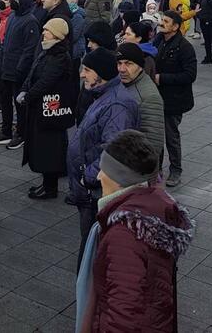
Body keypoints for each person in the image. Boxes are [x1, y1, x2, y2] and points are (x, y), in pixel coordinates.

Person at [75, 130, 192, 332]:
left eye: (105, 170)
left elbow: (123, 316)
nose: (99, 176)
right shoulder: (153, 209)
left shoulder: (124, 235)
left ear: (120, 179)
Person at [68, 48, 140, 266]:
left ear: (102, 73)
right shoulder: (103, 95)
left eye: (87, 70)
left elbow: (113, 150)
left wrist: (87, 178)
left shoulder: (117, 104)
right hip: (91, 189)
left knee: (94, 250)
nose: (82, 74)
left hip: (97, 191)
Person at [19, 18, 75, 200]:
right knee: (42, 147)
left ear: (57, 35)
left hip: (50, 111)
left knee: (49, 149)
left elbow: (46, 81)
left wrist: (28, 96)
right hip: (41, 108)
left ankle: (50, 187)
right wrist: (25, 89)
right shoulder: (47, 51)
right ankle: (46, 183)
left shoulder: (60, 56)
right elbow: (33, 73)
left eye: (47, 30)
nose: (43, 33)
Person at [153, 11, 197, 187]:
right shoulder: (158, 40)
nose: (161, 23)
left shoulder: (184, 47)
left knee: (171, 136)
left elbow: (190, 75)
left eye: (166, 21)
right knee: (156, 135)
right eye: (162, 20)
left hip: (174, 99)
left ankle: (175, 170)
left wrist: (162, 78)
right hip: (157, 97)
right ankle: (156, 169)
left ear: (176, 26)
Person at [0, 0, 39, 148]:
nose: (13, 0)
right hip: (6, 67)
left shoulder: (30, 21)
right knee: (5, 100)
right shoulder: (13, 16)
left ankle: (20, 133)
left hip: (18, 71)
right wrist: (0, 60)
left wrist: (20, 69)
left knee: (19, 104)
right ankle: (6, 130)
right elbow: (5, 41)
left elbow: (29, 50)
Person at [115, 43, 165, 162]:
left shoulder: (149, 96)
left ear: (140, 66)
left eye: (128, 63)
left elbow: (153, 144)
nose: (122, 69)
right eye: (119, 63)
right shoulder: (122, 83)